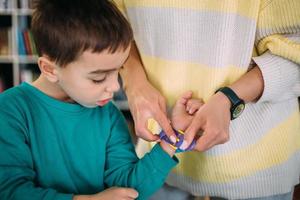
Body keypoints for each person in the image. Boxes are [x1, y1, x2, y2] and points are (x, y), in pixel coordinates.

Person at [0, 0, 188, 199]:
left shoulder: (107, 113)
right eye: (98, 78)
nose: (115, 86)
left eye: (118, 71)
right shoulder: (10, 111)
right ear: (49, 69)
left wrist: (170, 140)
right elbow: (10, 191)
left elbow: (128, 188)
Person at [113, 0, 300, 199]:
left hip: (257, 169)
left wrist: (229, 99)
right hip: (156, 165)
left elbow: (293, 52)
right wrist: (135, 86)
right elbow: (112, 26)